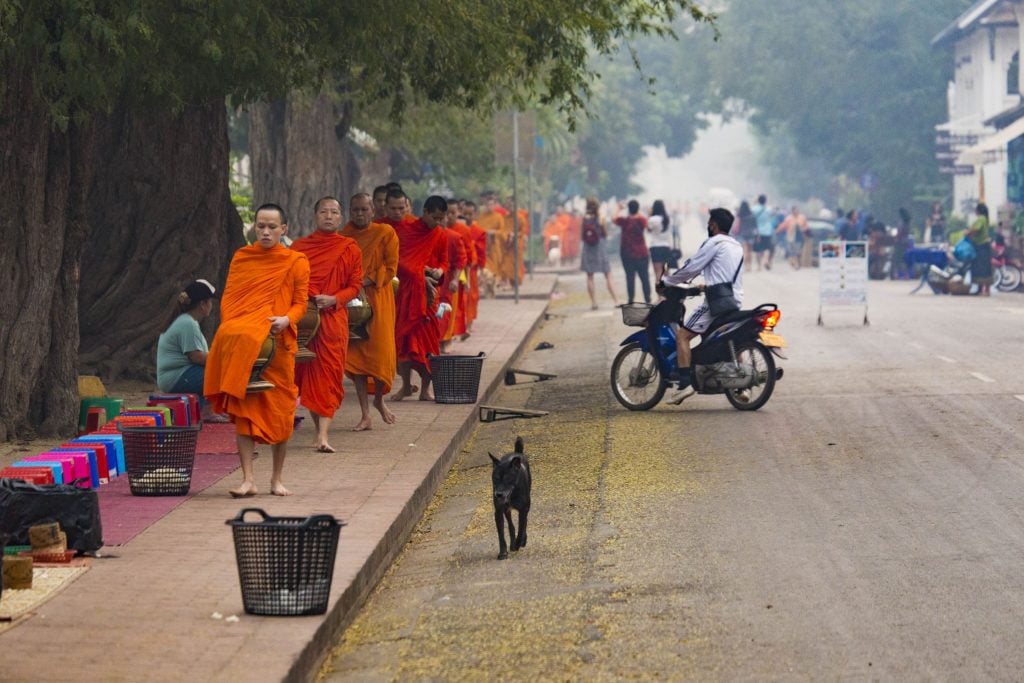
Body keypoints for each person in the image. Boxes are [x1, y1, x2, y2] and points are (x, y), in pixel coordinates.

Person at [204, 203, 310, 497]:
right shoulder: (242, 257)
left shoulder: (296, 261)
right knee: (244, 412)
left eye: (271, 227)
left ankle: (276, 479)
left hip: (278, 345)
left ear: (283, 230)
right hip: (247, 342)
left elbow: (301, 303)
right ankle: (248, 479)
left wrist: (286, 319)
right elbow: (230, 299)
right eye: (260, 226)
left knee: (281, 411)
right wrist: (235, 327)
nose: (265, 232)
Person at [291, 197, 364, 452]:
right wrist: (308, 297)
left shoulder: (350, 248)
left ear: (341, 218)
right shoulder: (299, 248)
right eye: (324, 212)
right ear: (315, 216)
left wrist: (334, 298)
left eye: (334, 212)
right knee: (310, 377)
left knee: (330, 375)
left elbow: (355, 286)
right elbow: (291, 281)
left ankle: (323, 435)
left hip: (334, 319)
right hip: (306, 319)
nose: (329, 216)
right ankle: (319, 433)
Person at [659, 207, 743, 403]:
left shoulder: (714, 242)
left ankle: (685, 384)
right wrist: (703, 285)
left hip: (716, 302)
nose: (708, 225)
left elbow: (693, 266)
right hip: (735, 299)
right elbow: (724, 274)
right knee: (730, 338)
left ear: (713, 224)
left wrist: (668, 281)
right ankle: (740, 387)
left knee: (682, 335)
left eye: (709, 222)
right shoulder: (736, 246)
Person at [341, 192, 400, 431]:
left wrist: (367, 280)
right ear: (350, 211)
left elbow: (391, 266)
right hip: (352, 301)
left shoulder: (385, 233)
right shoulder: (343, 236)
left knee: (380, 351)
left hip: (379, 297)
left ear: (373, 211)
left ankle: (379, 399)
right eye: (355, 209)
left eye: (364, 209)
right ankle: (365, 413)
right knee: (356, 358)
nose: (360, 214)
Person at [391, 195, 448, 400]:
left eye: (442, 218)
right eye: (435, 218)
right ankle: (406, 385)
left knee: (429, 343)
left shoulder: (439, 234)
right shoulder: (406, 231)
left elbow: (444, 261)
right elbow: (399, 262)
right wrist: (422, 274)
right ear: (424, 212)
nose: (438, 223)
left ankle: (425, 390)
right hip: (408, 294)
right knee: (405, 342)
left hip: (429, 298)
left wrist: (440, 271)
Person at [156, 279, 229, 422]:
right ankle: (207, 412)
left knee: (218, 369)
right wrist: (224, 360)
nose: (211, 306)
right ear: (202, 304)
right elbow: (196, 357)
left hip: (180, 375)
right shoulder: (187, 323)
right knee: (219, 371)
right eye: (209, 302)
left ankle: (209, 409)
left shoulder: (187, 321)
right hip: (175, 377)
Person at [580, 197, 619, 310]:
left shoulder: (584, 218)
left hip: (588, 248)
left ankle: (593, 302)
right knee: (608, 274)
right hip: (599, 247)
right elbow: (605, 233)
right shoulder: (601, 217)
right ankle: (616, 301)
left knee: (590, 276)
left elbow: (582, 234)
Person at [614, 199, 652, 304]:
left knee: (630, 277)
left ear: (628, 209)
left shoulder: (624, 221)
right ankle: (647, 298)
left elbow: (614, 218)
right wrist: (638, 211)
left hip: (627, 253)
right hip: (642, 253)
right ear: (637, 209)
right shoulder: (641, 220)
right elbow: (647, 224)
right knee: (644, 276)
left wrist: (619, 208)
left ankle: (631, 299)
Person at [968, 202, 993, 296]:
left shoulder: (981, 218)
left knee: (982, 268)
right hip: (982, 246)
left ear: (978, 210)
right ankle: (980, 289)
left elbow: (976, 229)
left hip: (981, 246)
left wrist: (968, 232)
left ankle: (985, 290)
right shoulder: (984, 219)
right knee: (982, 268)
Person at [647, 200, 673, 281]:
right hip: (666, 247)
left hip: (655, 248)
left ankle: (660, 293)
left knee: (658, 273)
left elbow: (648, 230)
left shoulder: (652, 219)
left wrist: (649, 215)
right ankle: (668, 292)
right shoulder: (668, 219)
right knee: (666, 272)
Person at [775, 205, 808, 270]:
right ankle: (796, 264)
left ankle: (795, 262)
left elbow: (806, 226)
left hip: (799, 236)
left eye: (797, 210)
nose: (796, 211)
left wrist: (805, 231)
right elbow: (783, 225)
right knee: (792, 251)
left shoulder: (802, 217)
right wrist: (778, 231)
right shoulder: (788, 218)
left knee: (798, 251)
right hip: (791, 236)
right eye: (794, 210)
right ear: (792, 211)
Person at [751, 194, 774, 270]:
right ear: (765, 201)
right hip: (767, 231)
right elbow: (771, 216)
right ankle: (766, 260)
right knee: (767, 248)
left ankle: (759, 266)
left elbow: (752, 219)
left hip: (757, 232)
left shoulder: (753, 209)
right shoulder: (768, 209)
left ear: (758, 200)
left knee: (758, 249)